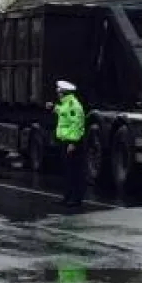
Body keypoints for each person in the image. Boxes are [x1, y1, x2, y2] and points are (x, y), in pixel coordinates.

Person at [52, 79, 86, 207]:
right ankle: (67, 197)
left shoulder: (73, 105)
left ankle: (75, 198)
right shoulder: (65, 104)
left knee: (74, 172)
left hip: (72, 143)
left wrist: (73, 143)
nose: (58, 94)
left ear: (63, 93)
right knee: (67, 171)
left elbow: (77, 124)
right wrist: (54, 108)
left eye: (59, 92)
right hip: (65, 141)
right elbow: (62, 112)